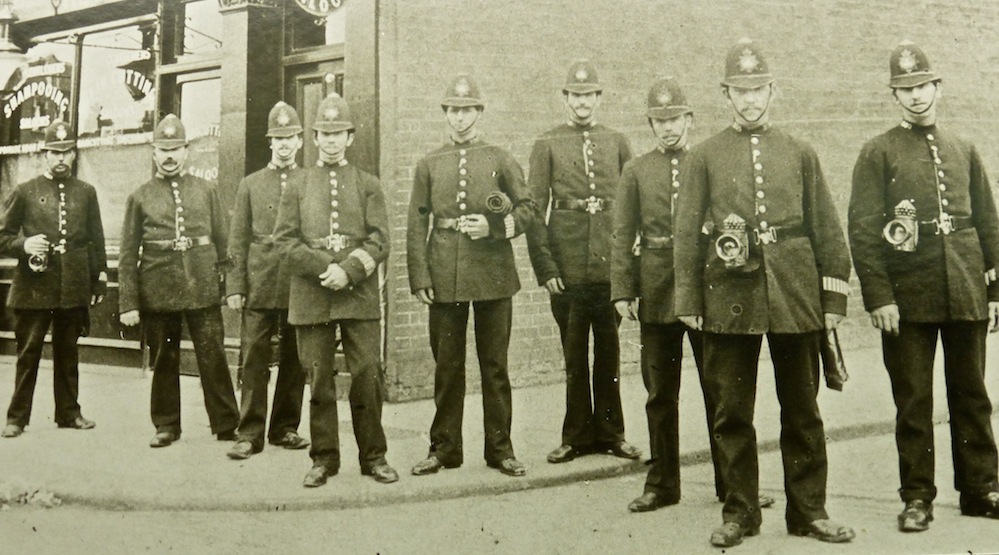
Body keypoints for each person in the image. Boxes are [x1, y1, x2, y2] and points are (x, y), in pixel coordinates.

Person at [673, 38, 855, 548]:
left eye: (758, 89)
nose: (750, 100)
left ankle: (809, 512)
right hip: (729, 299)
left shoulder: (800, 151)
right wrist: (688, 300)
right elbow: (687, 232)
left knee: (802, 410)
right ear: (726, 95)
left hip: (795, 296)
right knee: (732, 413)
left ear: (772, 90)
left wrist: (833, 299)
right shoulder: (705, 156)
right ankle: (740, 513)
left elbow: (827, 228)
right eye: (739, 91)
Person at [848, 40, 999, 532]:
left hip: (964, 289)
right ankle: (916, 496)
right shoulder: (878, 151)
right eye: (905, 88)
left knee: (972, 395)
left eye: (923, 86)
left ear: (938, 87)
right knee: (913, 400)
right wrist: (880, 296)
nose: (916, 96)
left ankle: (980, 488)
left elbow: (988, 223)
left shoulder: (964, 148)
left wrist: (994, 290)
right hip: (907, 298)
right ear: (894, 95)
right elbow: (864, 230)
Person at [407, 74, 534, 478]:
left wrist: (495, 228)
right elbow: (416, 223)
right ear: (446, 114)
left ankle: (500, 449)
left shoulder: (499, 157)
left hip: (493, 273)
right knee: (447, 366)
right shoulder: (429, 163)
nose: (460, 118)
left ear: (479, 112)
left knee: (494, 365)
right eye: (453, 110)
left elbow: (529, 208)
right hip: (444, 273)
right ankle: (444, 448)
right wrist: (420, 276)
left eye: (467, 110)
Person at [272, 93, 397, 487]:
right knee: (319, 380)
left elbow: (381, 240)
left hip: (357, 295)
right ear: (313, 138)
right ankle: (324, 459)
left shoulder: (368, 184)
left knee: (366, 375)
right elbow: (284, 242)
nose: (330, 141)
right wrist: (325, 268)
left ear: (350, 138)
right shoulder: (296, 185)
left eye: (337, 133)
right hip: (312, 296)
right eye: (323, 134)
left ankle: (374, 456)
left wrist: (349, 270)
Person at [527, 60, 641, 465]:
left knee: (608, 352)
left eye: (589, 95)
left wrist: (629, 271)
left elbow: (634, 208)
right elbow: (533, 211)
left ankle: (612, 433)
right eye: (575, 96)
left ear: (598, 98)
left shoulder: (617, 141)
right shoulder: (547, 143)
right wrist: (547, 269)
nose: (582, 103)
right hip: (568, 270)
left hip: (610, 268)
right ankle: (575, 436)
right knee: (574, 355)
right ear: (565, 99)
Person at [119, 114, 239, 448]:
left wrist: (229, 287)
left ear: (187, 151)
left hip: (201, 285)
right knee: (164, 359)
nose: (169, 155)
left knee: (213, 355)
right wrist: (128, 302)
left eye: (176, 148)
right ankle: (167, 424)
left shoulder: (206, 190)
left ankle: (227, 423)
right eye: (163, 149)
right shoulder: (140, 197)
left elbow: (223, 241)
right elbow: (128, 254)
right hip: (158, 288)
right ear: (153, 152)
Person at [0, 120, 106, 438]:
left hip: (73, 283)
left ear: (74, 154)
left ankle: (69, 414)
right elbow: (3, 236)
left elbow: (95, 239)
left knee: (68, 351)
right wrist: (23, 245)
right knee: (28, 351)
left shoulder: (86, 192)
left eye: (67, 152)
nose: (61, 158)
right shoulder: (25, 191)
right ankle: (17, 418)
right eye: (54, 152)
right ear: (44, 154)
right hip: (34, 284)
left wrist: (98, 278)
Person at [225, 102, 309, 460]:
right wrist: (234, 286)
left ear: (301, 141)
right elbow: (237, 239)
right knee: (255, 355)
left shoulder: (310, 181)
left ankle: (285, 428)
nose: (285, 144)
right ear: (270, 142)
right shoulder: (250, 184)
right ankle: (250, 432)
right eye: (278, 138)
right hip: (259, 280)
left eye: (291, 137)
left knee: (296, 357)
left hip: (299, 281)